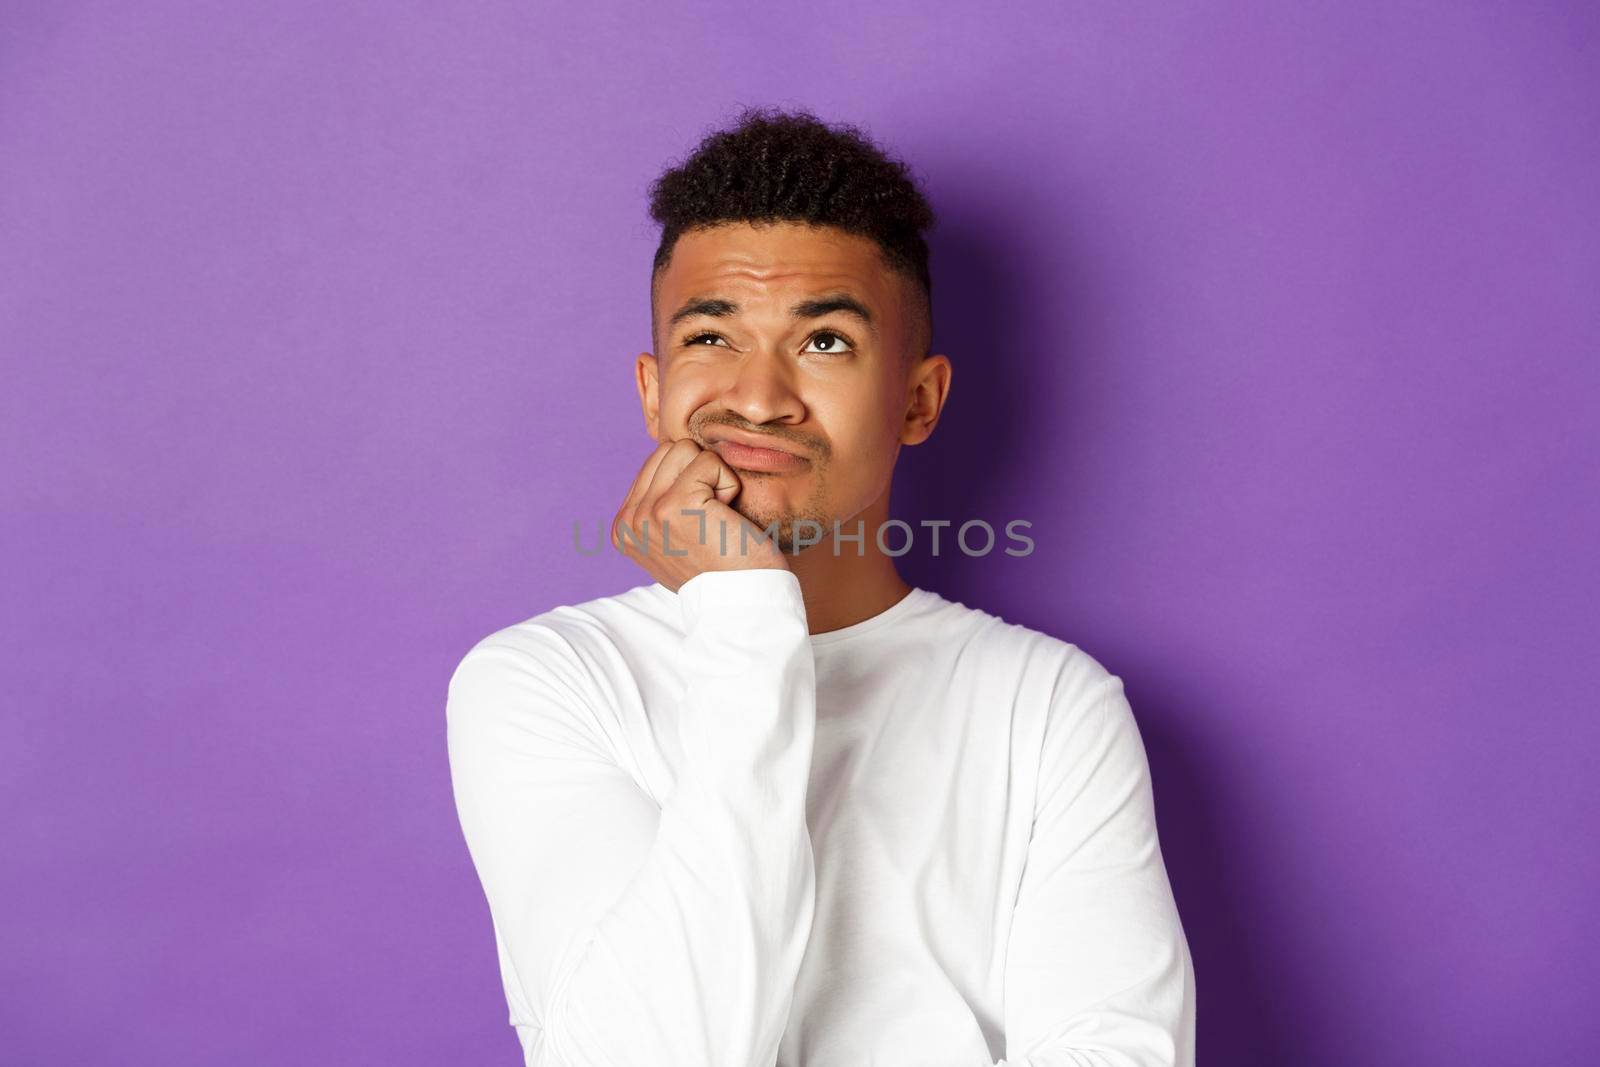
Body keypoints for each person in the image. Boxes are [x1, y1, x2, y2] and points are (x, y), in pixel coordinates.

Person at [445, 105, 1196, 1067]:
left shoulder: (1049, 705)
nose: (758, 397)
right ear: (651, 388)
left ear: (918, 400)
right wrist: (746, 614)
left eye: (826, 342)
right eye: (711, 338)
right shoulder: (543, 681)